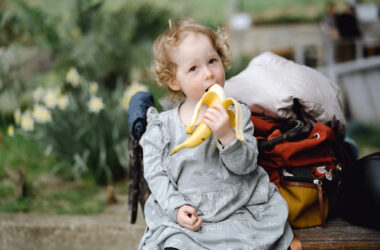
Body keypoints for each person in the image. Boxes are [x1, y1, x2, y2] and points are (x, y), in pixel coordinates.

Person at [138, 19, 294, 250]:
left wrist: (227, 135)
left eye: (212, 61)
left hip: (235, 207)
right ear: (173, 80)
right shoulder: (162, 126)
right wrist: (176, 207)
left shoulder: (237, 113)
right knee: (174, 241)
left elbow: (246, 166)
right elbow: (156, 174)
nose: (209, 74)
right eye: (194, 68)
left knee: (250, 240)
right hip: (188, 213)